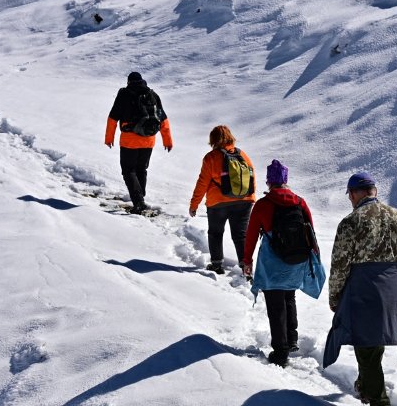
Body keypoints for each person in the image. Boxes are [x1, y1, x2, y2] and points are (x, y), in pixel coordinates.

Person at [324, 171, 397, 406]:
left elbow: (339, 265)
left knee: (367, 348)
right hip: (395, 289)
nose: (350, 200)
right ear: (374, 191)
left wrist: (335, 297)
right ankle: (366, 386)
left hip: (364, 290)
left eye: (349, 195)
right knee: (373, 341)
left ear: (355, 193)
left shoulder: (351, 222)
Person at [242, 159, 324, 368]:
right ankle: (292, 339)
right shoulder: (300, 202)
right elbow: (310, 231)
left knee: (275, 303)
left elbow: (251, 235)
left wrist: (247, 260)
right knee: (289, 296)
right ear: (286, 180)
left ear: (269, 181)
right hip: (296, 260)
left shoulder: (263, 204)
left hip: (272, 263)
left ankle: (280, 351)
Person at [188, 125, 256, 274]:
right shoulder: (242, 154)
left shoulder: (211, 158)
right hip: (244, 201)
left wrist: (194, 205)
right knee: (240, 235)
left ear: (213, 140)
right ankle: (246, 268)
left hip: (218, 203)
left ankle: (217, 265)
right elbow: (251, 177)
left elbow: (202, 183)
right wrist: (250, 197)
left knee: (215, 233)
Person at [105, 72, 173, 214]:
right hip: (149, 140)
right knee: (141, 169)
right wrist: (167, 141)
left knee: (128, 170)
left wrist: (109, 138)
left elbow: (112, 118)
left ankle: (139, 202)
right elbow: (163, 120)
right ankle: (140, 198)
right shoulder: (152, 95)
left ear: (129, 82)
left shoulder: (124, 94)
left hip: (129, 140)